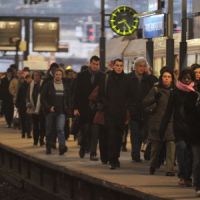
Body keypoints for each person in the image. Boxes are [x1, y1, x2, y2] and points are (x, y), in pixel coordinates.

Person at [143, 67, 175, 176]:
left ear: (172, 79)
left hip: (170, 123)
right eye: (165, 77)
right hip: (157, 122)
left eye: (169, 77)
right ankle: (153, 165)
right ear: (161, 78)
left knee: (171, 145)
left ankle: (169, 169)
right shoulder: (155, 89)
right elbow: (145, 103)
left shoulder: (174, 91)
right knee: (156, 147)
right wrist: (154, 99)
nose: (166, 79)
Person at [98, 58, 129, 169]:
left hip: (121, 114)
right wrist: (107, 105)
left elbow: (129, 96)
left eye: (121, 65)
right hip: (109, 113)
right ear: (113, 66)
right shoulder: (107, 78)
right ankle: (113, 160)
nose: (119, 67)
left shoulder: (126, 79)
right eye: (117, 65)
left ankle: (116, 157)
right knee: (111, 136)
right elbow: (101, 95)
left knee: (118, 137)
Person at [73, 56, 104, 161]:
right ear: (90, 63)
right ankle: (83, 146)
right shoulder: (81, 75)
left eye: (97, 64)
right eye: (94, 64)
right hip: (84, 108)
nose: (96, 66)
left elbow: (103, 92)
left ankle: (93, 153)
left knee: (95, 131)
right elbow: (76, 92)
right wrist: (76, 108)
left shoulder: (102, 76)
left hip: (96, 108)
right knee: (85, 130)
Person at [128, 57, 157, 162]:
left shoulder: (148, 79)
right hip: (134, 111)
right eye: (140, 66)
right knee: (135, 134)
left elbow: (155, 86)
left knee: (144, 134)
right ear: (135, 67)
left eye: (144, 66)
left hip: (146, 112)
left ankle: (145, 153)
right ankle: (135, 155)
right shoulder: (129, 78)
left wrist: (149, 73)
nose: (142, 68)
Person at [41, 68, 69, 155]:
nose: (58, 76)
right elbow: (43, 98)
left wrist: (68, 109)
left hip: (61, 112)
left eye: (60, 74)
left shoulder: (65, 86)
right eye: (56, 74)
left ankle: (62, 147)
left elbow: (68, 98)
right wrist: (49, 107)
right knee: (49, 130)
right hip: (51, 112)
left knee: (60, 129)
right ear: (54, 75)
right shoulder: (48, 85)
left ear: (62, 76)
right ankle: (48, 147)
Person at [174, 69, 194, 186]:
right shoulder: (175, 92)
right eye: (184, 78)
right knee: (181, 150)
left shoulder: (194, 93)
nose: (186, 80)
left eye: (189, 78)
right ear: (180, 78)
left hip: (192, 129)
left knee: (190, 153)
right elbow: (169, 111)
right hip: (179, 128)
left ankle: (187, 177)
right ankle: (182, 174)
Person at [27, 71, 45, 146]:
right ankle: (35, 140)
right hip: (33, 108)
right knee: (35, 125)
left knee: (42, 125)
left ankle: (41, 140)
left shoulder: (43, 84)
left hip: (42, 108)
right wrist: (28, 103)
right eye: (34, 76)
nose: (36, 77)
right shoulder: (31, 85)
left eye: (37, 75)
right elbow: (27, 95)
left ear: (40, 77)